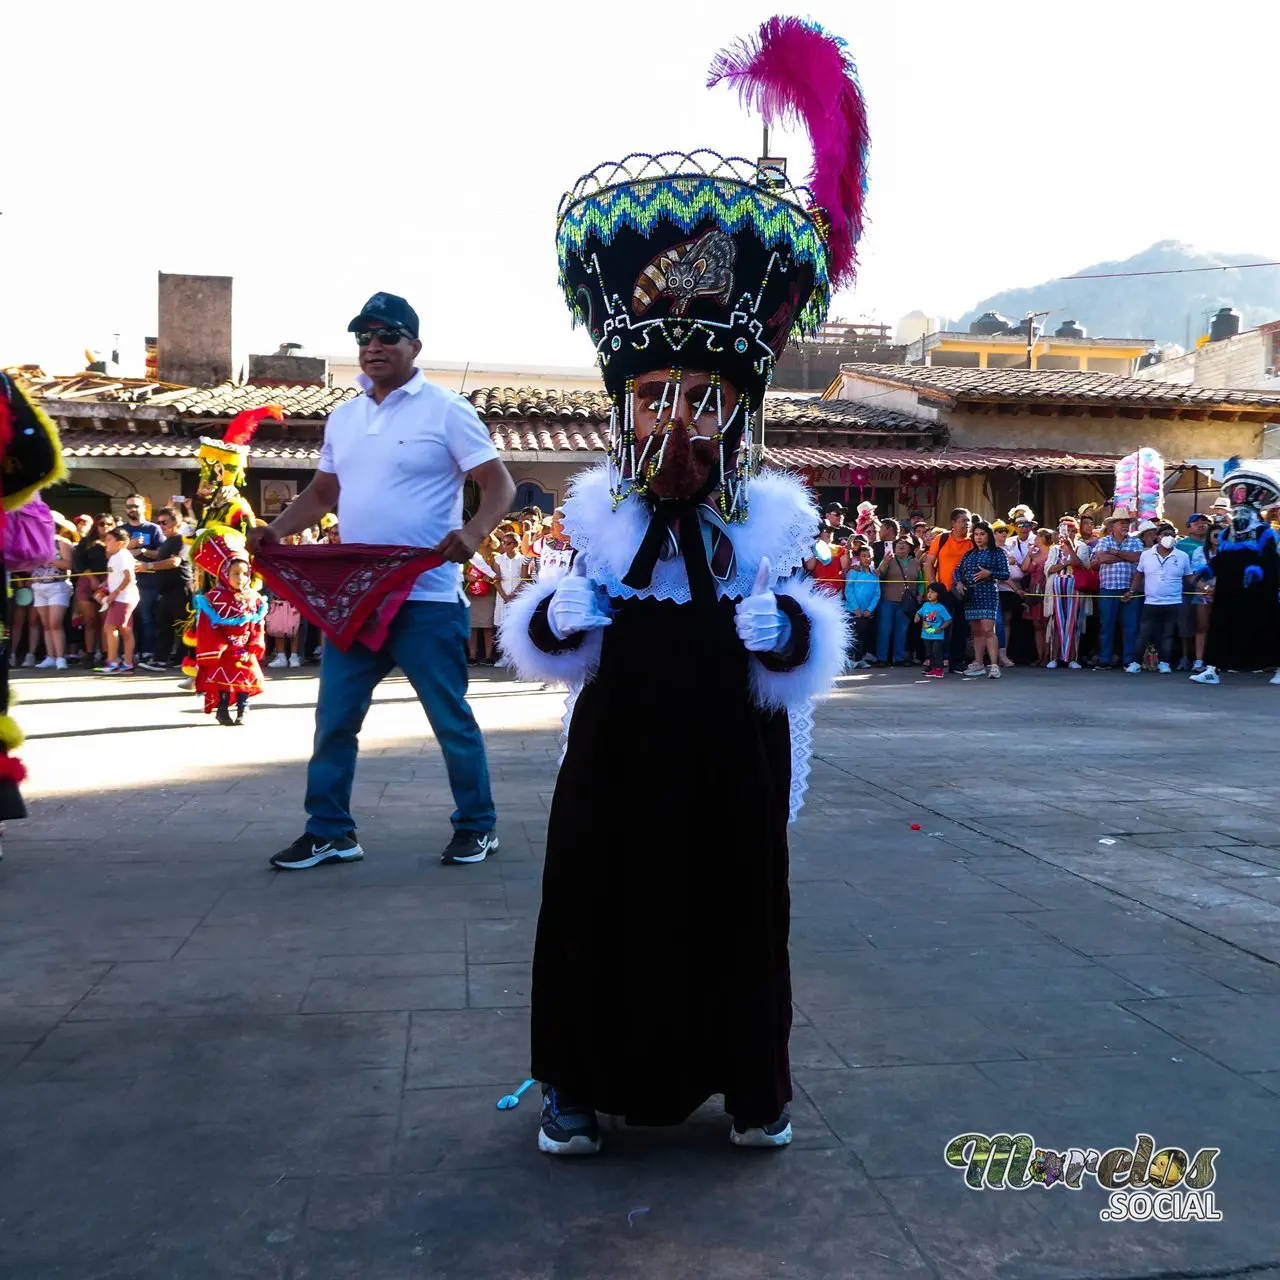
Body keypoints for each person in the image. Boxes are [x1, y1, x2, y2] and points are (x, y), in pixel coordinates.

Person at [499, 16, 863, 1155]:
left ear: (736, 413)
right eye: (654, 392)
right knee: (594, 898)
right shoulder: (598, 519)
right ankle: (574, 1080)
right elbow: (553, 632)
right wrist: (555, 620)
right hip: (619, 742)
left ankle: (752, 1084)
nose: (675, 416)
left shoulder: (766, 520)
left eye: (699, 396)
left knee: (737, 905)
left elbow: (807, 657)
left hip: (727, 744)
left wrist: (788, 626)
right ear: (623, 404)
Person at [248, 291, 514, 870]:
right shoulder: (344, 417)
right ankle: (330, 832)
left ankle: (477, 825)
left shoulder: (446, 410)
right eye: (364, 338)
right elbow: (323, 494)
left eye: (387, 336)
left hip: (426, 596)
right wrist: (275, 530)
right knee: (334, 719)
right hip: (355, 601)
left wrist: (471, 534)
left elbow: (500, 486)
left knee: (449, 719)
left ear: (414, 346)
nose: (373, 347)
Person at [179, 408, 273, 683]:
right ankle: (197, 668)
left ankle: (233, 674)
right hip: (207, 574)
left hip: (230, 577)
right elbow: (202, 535)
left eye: (211, 474)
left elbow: (243, 543)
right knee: (203, 620)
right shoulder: (211, 507)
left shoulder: (237, 506)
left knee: (230, 627)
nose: (205, 481)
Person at [1191, 466, 1280, 686]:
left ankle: (1278, 668)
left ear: (1254, 512)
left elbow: (1271, 560)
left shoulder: (1265, 532)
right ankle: (1212, 669)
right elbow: (1221, 559)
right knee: (1220, 625)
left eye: (1243, 512)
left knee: (1266, 626)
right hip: (1228, 589)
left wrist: (1257, 570)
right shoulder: (1225, 533)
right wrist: (1209, 569)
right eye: (1236, 511)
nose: (1239, 515)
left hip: (1258, 589)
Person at [192, 532, 267, 725]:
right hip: (224, 649)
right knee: (223, 681)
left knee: (246, 679)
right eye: (235, 573)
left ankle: (243, 709)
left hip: (245, 648)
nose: (240, 578)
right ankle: (223, 710)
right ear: (225, 573)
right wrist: (221, 646)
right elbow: (207, 626)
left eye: (244, 573)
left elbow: (257, 624)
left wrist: (253, 643)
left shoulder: (254, 598)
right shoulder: (214, 597)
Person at [1126, 522, 1193, 673]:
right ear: (1157, 537)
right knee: (1143, 633)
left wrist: (1205, 588)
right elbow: (1139, 574)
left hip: (1173, 601)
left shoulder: (1182, 556)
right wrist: (1131, 591)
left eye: (1172, 535)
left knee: (1167, 634)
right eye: (1165, 535)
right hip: (1151, 601)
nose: (1168, 538)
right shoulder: (1146, 555)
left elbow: (1190, 576)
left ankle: (1164, 663)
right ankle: (1135, 663)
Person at [138, 507, 192, 671]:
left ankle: (186, 660)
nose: (161, 525)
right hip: (166, 591)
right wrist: (142, 553)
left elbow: (175, 562)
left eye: (164, 522)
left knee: (183, 627)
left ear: (176, 522)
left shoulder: (183, 540)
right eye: (159, 522)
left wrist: (148, 566)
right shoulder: (167, 541)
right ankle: (161, 660)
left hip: (180, 589)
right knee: (163, 625)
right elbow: (160, 555)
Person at [954, 521, 1010, 678]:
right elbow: (957, 570)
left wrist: (989, 573)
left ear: (989, 535)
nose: (978, 537)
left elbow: (1005, 574)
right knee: (976, 631)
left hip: (988, 594)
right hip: (971, 595)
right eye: (976, 534)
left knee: (987, 630)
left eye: (982, 534)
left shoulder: (998, 552)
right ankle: (978, 663)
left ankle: (993, 665)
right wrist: (958, 582)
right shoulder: (969, 554)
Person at [1091, 509, 1143, 670]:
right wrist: (1125, 556)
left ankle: (1129, 661)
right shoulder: (1104, 540)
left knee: (1131, 626)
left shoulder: (1135, 541)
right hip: (1108, 589)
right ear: (1113, 526)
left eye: (1127, 523)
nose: (1125, 526)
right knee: (1107, 625)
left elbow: (1138, 558)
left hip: (1129, 589)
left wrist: (1115, 553)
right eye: (1122, 523)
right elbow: (1102, 558)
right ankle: (1104, 659)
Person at [925, 508, 974, 674]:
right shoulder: (942, 539)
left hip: (963, 592)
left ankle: (956, 662)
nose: (967, 524)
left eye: (968, 521)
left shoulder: (972, 542)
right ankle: (935, 662)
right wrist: (933, 585)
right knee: (938, 627)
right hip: (944, 591)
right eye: (963, 521)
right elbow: (928, 563)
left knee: (961, 628)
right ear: (953, 523)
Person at [118, 495, 164, 664]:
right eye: (129, 507)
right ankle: (128, 653)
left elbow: (162, 553)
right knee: (126, 619)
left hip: (148, 582)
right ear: (125, 509)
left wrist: (143, 551)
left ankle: (147, 652)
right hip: (124, 583)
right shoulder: (121, 530)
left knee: (147, 619)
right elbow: (112, 553)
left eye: (136, 506)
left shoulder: (154, 529)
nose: (133, 510)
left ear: (144, 507)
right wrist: (130, 547)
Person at [1043, 516, 1090, 669]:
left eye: (1072, 531)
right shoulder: (1054, 549)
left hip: (1075, 588)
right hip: (1056, 588)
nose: (1069, 533)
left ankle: (1072, 658)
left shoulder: (1081, 547)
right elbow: (1049, 569)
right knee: (1056, 622)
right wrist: (1066, 562)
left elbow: (1080, 564)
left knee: (1073, 621)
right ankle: (1054, 657)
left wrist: (1070, 550)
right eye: (1066, 530)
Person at [30, 514, 75, 670]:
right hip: (38, 585)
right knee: (46, 624)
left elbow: (68, 564)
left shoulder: (62, 542)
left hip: (57, 585)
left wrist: (48, 558)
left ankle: (61, 657)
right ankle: (50, 656)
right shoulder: (36, 543)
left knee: (55, 623)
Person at [72, 513, 114, 666]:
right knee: (90, 620)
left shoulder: (115, 542)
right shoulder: (86, 542)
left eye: (109, 524)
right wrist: (93, 579)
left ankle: (104, 654)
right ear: (96, 526)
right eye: (102, 524)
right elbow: (79, 563)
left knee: (105, 621)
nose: (105, 527)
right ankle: (89, 654)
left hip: (109, 582)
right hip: (87, 581)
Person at [875, 534, 920, 665]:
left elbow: (920, 581)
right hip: (888, 600)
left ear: (910, 547)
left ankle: (899, 658)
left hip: (906, 602)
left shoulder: (916, 562)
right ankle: (882, 658)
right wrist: (884, 562)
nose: (901, 545)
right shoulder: (889, 559)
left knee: (902, 630)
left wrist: (920, 594)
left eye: (905, 544)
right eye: (899, 543)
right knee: (884, 629)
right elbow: (878, 573)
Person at [99, 526, 139, 674]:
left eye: (109, 540)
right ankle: (126, 662)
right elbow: (117, 576)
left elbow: (129, 578)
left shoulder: (121, 556)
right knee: (124, 629)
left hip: (124, 597)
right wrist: (105, 585)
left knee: (111, 628)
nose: (106, 543)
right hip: (123, 596)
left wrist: (115, 593)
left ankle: (113, 662)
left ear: (120, 543)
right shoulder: (117, 556)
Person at [1175, 514, 1211, 670]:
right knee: (1185, 624)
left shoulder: (1215, 544)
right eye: (1196, 522)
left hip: (1209, 591)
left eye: (1204, 522)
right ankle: (1184, 657)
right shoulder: (1181, 545)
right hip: (1186, 590)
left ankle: (1205, 658)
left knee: (1204, 625)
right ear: (1188, 527)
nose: (1201, 524)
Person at [843, 543, 880, 667]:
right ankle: (850, 659)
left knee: (861, 635)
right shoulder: (854, 573)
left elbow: (877, 594)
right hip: (852, 610)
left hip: (866, 612)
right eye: (864, 556)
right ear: (859, 558)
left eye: (869, 556)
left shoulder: (874, 576)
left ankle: (859, 658)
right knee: (852, 634)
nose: (867, 558)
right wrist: (855, 608)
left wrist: (869, 609)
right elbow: (848, 590)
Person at [465, 534, 500, 665]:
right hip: (471, 594)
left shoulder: (495, 556)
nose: (482, 539)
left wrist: (491, 577)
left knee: (487, 626)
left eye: (485, 537)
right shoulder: (468, 553)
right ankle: (472, 656)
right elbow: (461, 571)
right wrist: (467, 576)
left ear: (491, 539)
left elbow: (497, 574)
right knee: (472, 626)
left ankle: (489, 656)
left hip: (488, 594)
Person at [990, 522, 1019, 668]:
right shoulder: (991, 550)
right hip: (989, 591)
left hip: (1002, 591)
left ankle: (1001, 655)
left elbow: (1008, 573)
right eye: (998, 531)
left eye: (1004, 531)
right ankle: (983, 658)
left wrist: (1015, 589)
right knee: (988, 626)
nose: (1002, 533)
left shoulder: (1008, 549)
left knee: (1001, 624)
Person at [493, 528, 530, 631]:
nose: (504, 545)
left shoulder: (523, 560)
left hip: (518, 597)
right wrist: (504, 596)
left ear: (516, 544)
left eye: (508, 543)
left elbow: (524, 579)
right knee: (501, 627)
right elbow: (496, 579)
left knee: (516, 626)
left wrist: (513, 595)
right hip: (502, 597)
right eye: (503, 542)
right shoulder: (498, 559)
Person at [916, 583, 952, 678]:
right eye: (929, 592)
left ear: (939, 594)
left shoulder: (940, 607)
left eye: (933, 592)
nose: (929, 594)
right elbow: (918, 613)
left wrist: (941, 628)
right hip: (926, 634)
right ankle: (933, 668)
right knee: (929, 652)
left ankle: (939, 669)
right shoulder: (925, 605)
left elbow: (948, 619)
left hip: (937, 635)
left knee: (937, 651)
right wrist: (917, 617)